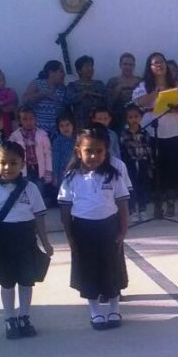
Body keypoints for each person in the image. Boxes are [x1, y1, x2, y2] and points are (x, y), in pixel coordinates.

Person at [57, 125, 132, 331]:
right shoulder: (71, 177)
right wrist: (69, 235)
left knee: (112, 268)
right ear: (78, 151)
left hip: (109, 228)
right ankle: (95, 312)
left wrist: (123, 230)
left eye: (99, 151)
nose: (94, 155)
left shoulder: (114, 175)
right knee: (88, 271)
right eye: (88, 150)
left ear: (106, 151)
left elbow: (123, 204)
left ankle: (115, 308)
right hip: (82, 230)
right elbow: (65, 208)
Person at [0, 142, 54, 340]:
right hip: (1, 239)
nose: (8, 167)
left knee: (27, 281)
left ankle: (24, 316)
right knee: (6, 282)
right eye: (3, 162)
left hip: (25, 238)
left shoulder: (31, 188)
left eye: (13, 163)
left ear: (22, 164)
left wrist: (45, 243)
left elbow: (39, 217)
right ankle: (9, 318)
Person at [131, 52, 178, 218]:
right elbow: (139, 103)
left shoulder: (176, 85)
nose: (159, 65)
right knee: (155, 167)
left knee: (173, 166)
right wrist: (156, 93)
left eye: (162, 62)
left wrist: (176, 108)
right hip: (152, 129)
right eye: (155, 63)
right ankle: (157, 201)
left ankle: (171, 201)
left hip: (173, 129)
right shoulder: (144, 86)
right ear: (150, 67)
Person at [8, 105, 53, 198]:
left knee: (39, 189)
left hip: (38, 167)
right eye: (25, 119)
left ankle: (38, 209)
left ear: (35, 119)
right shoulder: (14, 136)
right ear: (20, 121)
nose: (28, 122)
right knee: (24, 190)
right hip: (24, 167)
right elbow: (11, 154)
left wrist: (48, 170)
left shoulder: (42, 135)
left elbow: (48, 153)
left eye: (31, 119)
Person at [120, 104, 153, 222]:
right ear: (127, 119)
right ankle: (132, 210)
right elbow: (123, 150)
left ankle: (143, 209)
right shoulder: (124, 134)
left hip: (143, 162)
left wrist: (150, 163)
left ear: (140, 117)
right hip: (130, 163)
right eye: (130, 117)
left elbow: (149, 149)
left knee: (143, 186)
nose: (133, 119)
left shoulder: (145, 132)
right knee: (131, 187)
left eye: (136, 116)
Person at [22, 60, 68, 138]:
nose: (64, 74)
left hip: (57, 134)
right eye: (61, 71)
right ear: (51, 73)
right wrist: (44, 94)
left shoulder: (64, 89)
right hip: (39, 133)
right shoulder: (37, 84)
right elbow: (25, 100)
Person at [67, 55, 109, 129]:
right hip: (81, 124)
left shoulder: (99, 84)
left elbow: (107, 99)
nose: (90, 69)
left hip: (99, 123)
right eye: (87, 66)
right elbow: (69, 100)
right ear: (79, 71)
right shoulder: (72, 86)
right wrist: (84, 93)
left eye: (91, 66)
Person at [106, 53, 142, 135]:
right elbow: (108, 104)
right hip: (118, 122)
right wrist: (117, 91)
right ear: (120, 65)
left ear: (134, 66)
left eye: (130, 64)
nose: (128, 67)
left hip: (138, 121)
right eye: (125, 64)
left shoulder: (140, 82)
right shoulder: (113, 82)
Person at [51, 113, 77, 183]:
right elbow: (55, 160)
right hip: (62, 173)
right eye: (62, 126)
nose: (65, 128)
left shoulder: (78, 140)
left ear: (73, 125)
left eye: (67, 125)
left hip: (77, 172)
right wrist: (55, 176)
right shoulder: (57, 142)